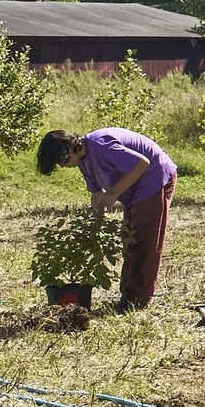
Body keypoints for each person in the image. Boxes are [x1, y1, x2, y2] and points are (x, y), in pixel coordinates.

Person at [36, 126, 176, 312]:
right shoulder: (83, 162)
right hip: (136, 189)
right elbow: (97, 197)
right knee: (129, 240)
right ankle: (128, 297)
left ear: (69, 149)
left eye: (61, 160)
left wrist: (114, 192)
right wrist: (95, 230)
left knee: (144, 242)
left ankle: (137, 303)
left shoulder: (101, 145)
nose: (63, 166)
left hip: (155, 178)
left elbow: (142, 163)